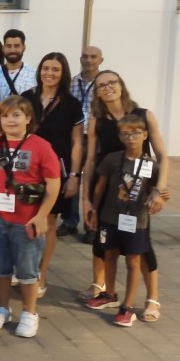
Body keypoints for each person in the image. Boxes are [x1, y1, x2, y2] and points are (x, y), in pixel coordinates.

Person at [80, 70, 169, 323]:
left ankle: (152, 298)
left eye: (111, 82)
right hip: (108, 188)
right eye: (101, 85)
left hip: (138, 190)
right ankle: (107, 291)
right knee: (103, 243)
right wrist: (86, 199)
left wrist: (159, 190)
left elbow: (163, 156)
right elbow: (90, 160)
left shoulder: (143, 115)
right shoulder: (97, 120)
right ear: (96, 93)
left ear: (121, 85)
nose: (107, 87)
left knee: (141, 247)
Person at [0, 96, 61, 338]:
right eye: (5, 116)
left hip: (27, 220)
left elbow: (53, 184)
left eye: (16, 115)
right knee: (0, 267)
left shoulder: (41, 146)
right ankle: (2, 308)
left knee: (27, 270)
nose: (10, 120)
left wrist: (42, 215)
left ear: (28, 118)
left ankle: (29, 313)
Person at [22, 52, 83, 298]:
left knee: (47, 221)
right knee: (24, 217)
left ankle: (41, 273)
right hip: (27, 169)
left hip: (56, 171)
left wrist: (75, 175)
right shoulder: (27, 98)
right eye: (46, 68)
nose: (49, 73)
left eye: (55, 69)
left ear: (63, 73)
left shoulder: (72, 104)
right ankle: (24, 268)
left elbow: (77, 143)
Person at [64, 45, 104, 239]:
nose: (89, 60)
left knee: (92, 181)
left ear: (101, 60)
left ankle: (91, 226)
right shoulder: (71, 83)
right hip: (75, 137)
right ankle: (70, 222)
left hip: (95, 137)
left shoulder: (104, 83)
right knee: (72, 177)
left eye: (93, 57)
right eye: (85, 56)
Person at [0, 29, 37, 101]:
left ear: (24, 47)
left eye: (16, 46)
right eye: (8, 46)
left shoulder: (34, 74)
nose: (12, 50)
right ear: (3, 48)